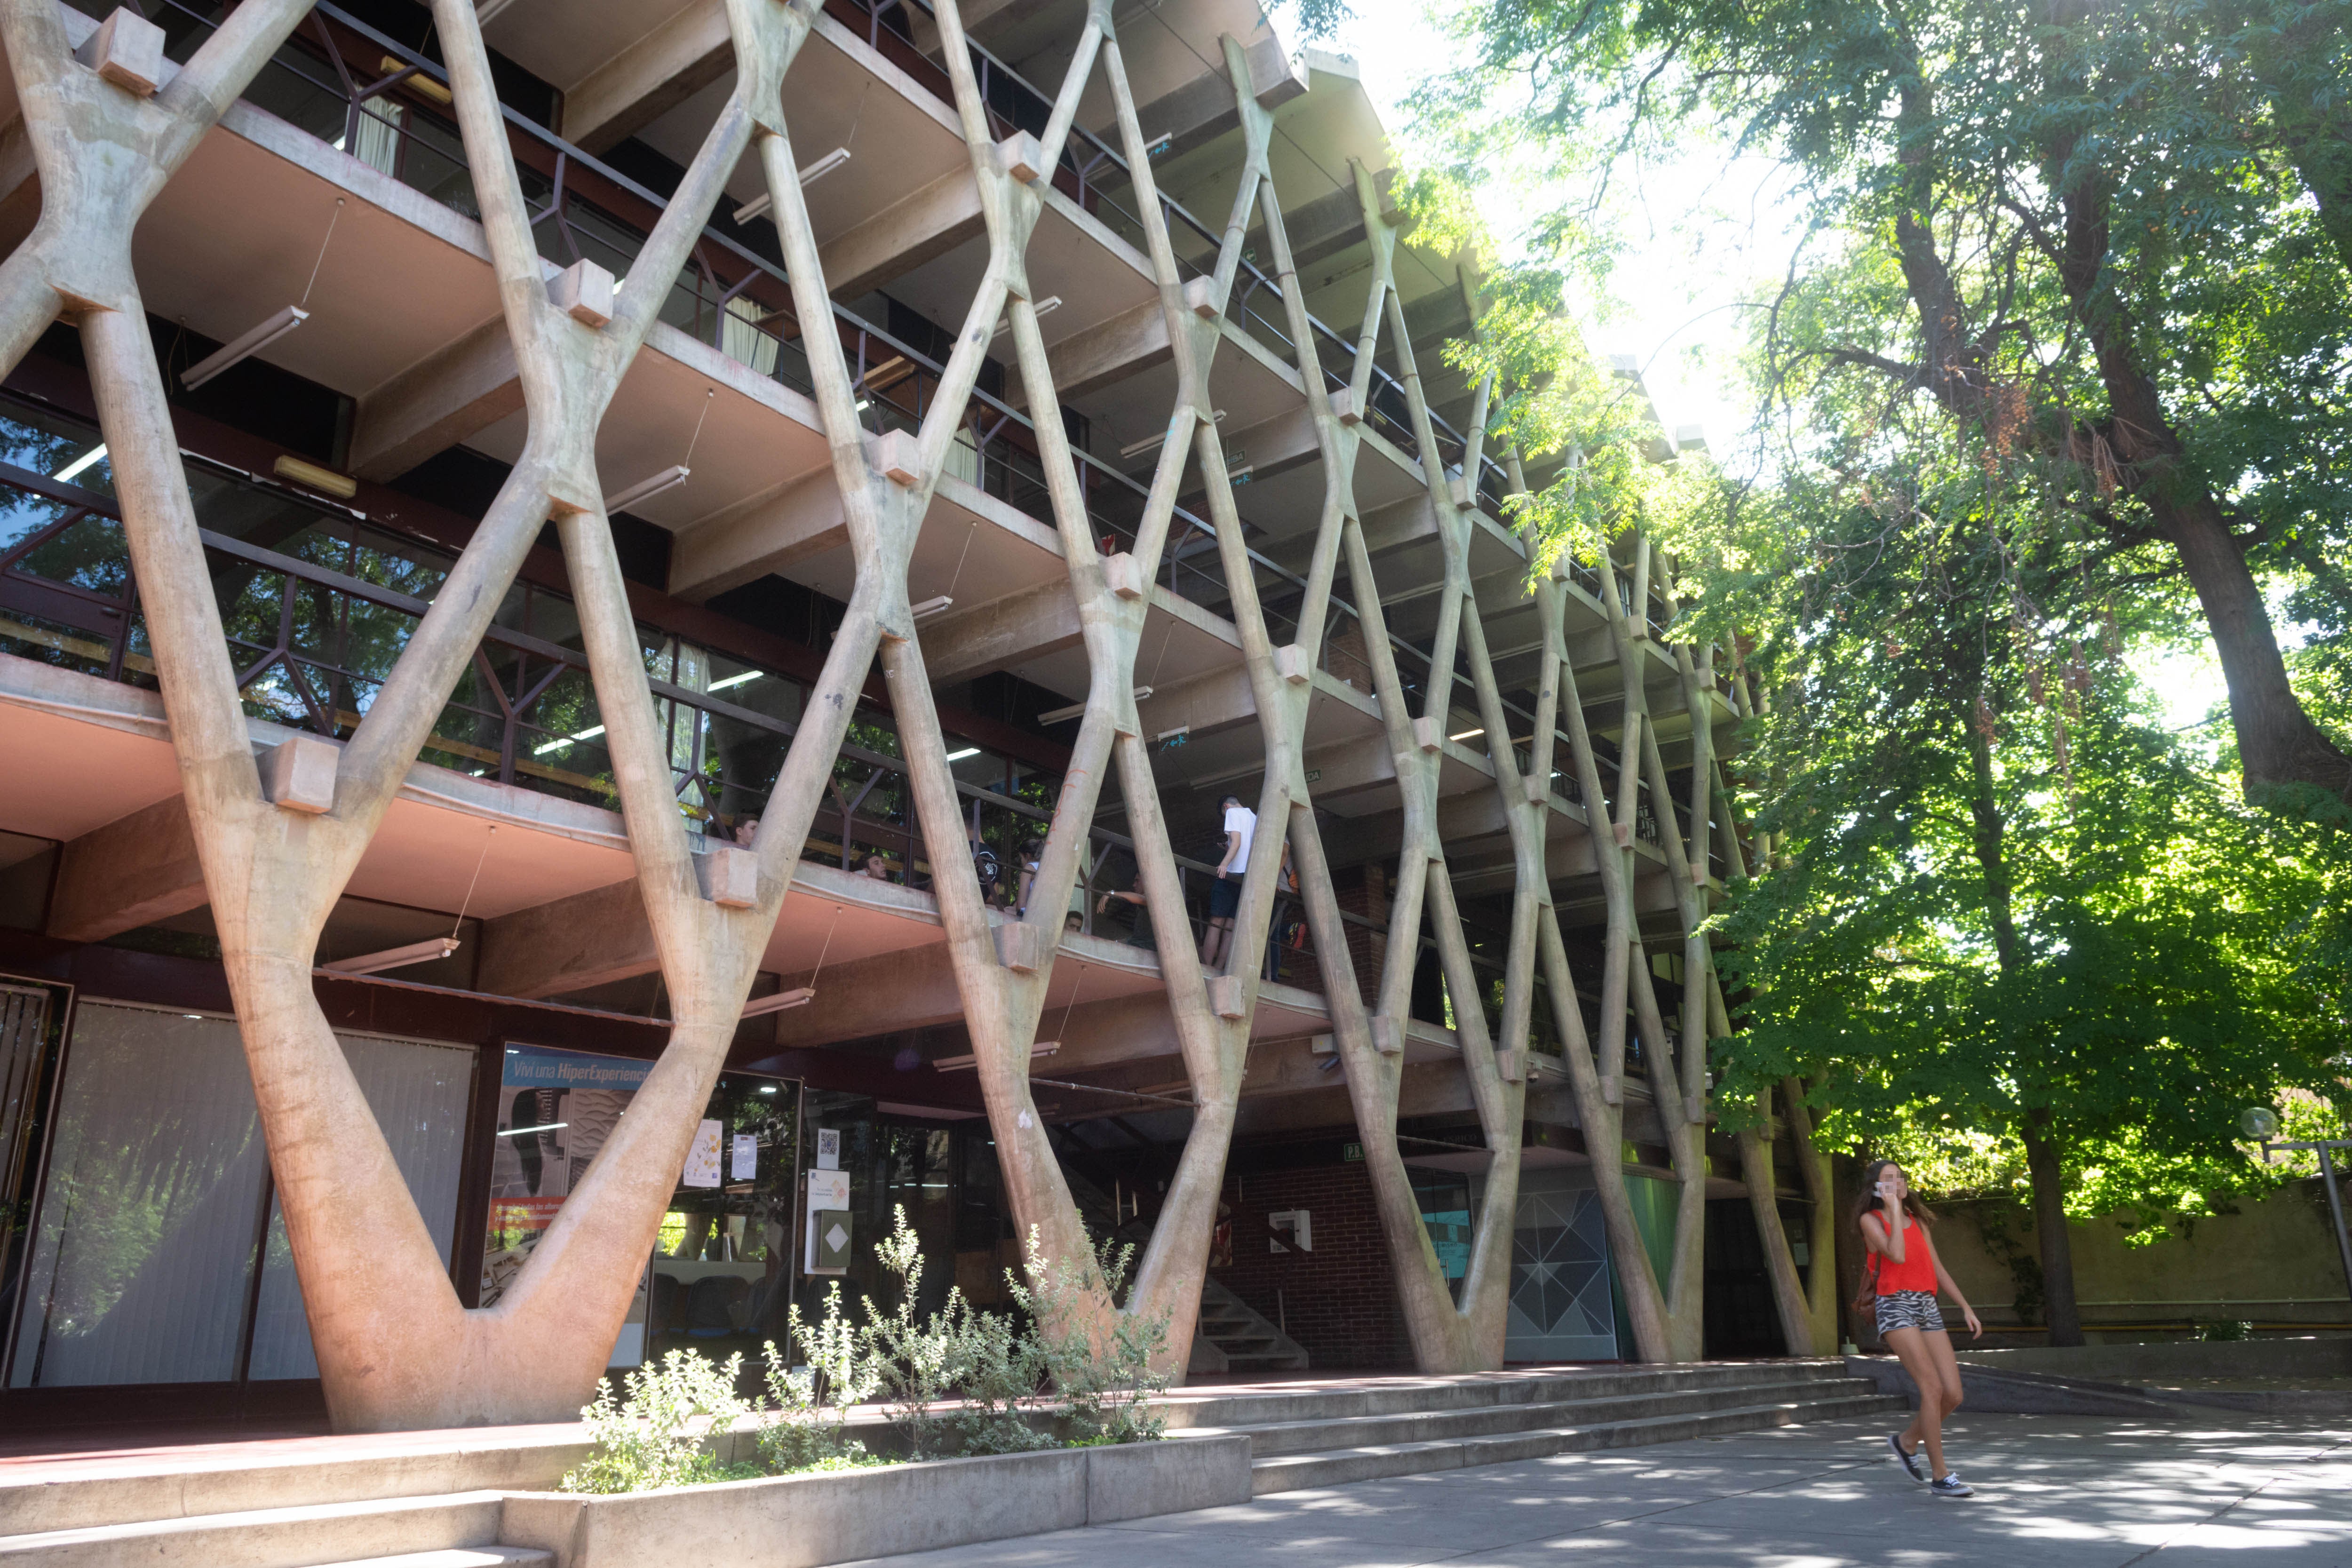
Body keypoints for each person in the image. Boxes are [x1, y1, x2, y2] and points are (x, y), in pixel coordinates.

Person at [1857, 1158, 1982, 1498]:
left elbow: (1937, 1268)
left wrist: (1965, 1306)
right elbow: (1896, 1255)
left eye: (1899, 1177)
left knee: (1953, 1393)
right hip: (1895, 1304)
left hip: (1927, 1304)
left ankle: (1907, 1440)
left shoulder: (1918, 1222)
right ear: (1876, 1187)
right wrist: (1893, 1210)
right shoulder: (1871, 1220)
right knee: (1932, 1388)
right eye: (1887, 1178)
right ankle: (1941, 1475)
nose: (1895, 1182)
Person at [1200, 794, 1254, 969]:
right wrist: (1228, 848)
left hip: (1231, 874)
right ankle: (1220, 967)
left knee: (1216, 922)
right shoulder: (1254, 817)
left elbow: (1237, 842)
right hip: (1247, 876)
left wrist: (1224, 863)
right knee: (1230, 926)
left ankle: (1207, 967)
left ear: (1226, 807)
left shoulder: (1232, 813)